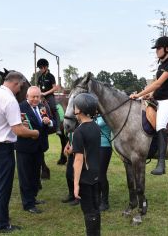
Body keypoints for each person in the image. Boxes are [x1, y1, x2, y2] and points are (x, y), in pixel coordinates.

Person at [0, 72, 39, 234]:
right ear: (16, 84)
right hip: (2, 147)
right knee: (3, 185)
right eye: (21, 86)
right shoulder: (9, 100)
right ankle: (1, 224)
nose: (20, 89)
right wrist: (35, 133)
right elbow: (18, 130)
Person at [130, 36, 168, 175]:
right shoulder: (161, 65)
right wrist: (149, 95)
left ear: (167, 49)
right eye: (156, 48)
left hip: (167, 101)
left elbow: (157, 84)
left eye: (158, 48)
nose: (156, 51)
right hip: (157, 99)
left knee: (161, 124)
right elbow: (157, 86)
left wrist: (138, 94)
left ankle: (161, 164)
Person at [16, 86, 54, 214]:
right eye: (33, 97)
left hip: (39, 147)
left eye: (38, 96)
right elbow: (16, 127)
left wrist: (49, 122)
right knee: (25, 176)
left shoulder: (42, 107)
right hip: (25, 148)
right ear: (27, 96)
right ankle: (28, 204)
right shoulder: (20, 107)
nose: (36, 99)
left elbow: (51, 123)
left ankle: (32, 198)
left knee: (35, 174)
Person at [73, 93, 101, 236]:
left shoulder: (78, 131)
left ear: (80, 110)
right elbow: (89, 148)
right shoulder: (96, 127)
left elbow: (79, 160)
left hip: (85, 178)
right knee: (95, 208)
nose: (74, 109)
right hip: (97, 175)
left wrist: (76, 184)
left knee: (89, 211)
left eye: (76, 106)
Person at [36, 58, 61, 135]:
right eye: (39, 68)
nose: (40, 69)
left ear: (46, 67)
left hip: (49, 96)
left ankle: (58, 128)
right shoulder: (40, 78)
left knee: (53, 108)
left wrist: (45, 93)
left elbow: (55, 88)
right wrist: (39, 94)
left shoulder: (51, 76)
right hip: (41, 96)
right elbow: (38, 88)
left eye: (41, 68)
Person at [95, 115, 112, 212]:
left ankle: (105, 202)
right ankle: (97, 199)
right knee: (96, 174)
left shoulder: (105, 116)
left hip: (104, 146)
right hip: (95, 146)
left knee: (101, 174)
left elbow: (95, 127)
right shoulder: (95, 116)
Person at [61, 132, 79, 206]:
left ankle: (78, 197)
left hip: (79, 153)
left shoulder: (80, 124)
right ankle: (71, 194)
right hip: (72, 153)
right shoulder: (71, 126)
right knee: (69, 174)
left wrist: (73, 148)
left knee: (77, 176)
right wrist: (67, 145)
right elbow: (70, 136)